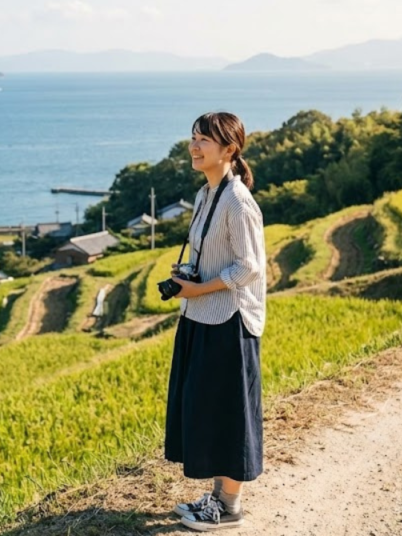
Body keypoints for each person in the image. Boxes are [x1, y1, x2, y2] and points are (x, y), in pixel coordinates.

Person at [164, 111, 266, 531]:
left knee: (229, 413)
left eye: (204, 139)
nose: (194, 145)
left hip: (229, 320)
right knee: (207, 408)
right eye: (193, 137)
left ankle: (230, 507)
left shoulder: (237, 201)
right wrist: (188, 278)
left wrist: (199, 288)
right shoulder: (207, 193)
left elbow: (249, 267)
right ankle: (218, 497)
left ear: (229, 149)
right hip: (202, 315)